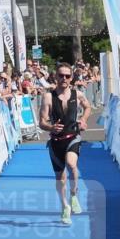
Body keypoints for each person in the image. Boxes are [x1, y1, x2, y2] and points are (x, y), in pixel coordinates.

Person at [38, 62, 91, 225]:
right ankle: (64, 206)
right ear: (55, 76)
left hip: (73, 137)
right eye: (61, 75)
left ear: (72, 77)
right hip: (56, 142)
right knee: (60, 178)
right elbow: (41, 122)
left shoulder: (78, 94)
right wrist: (51, 127)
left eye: (67, 76)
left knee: (71, 163)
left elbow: (88, 107)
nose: (64, 78)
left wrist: (83, 119)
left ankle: (74, 194)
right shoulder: (48, 96)